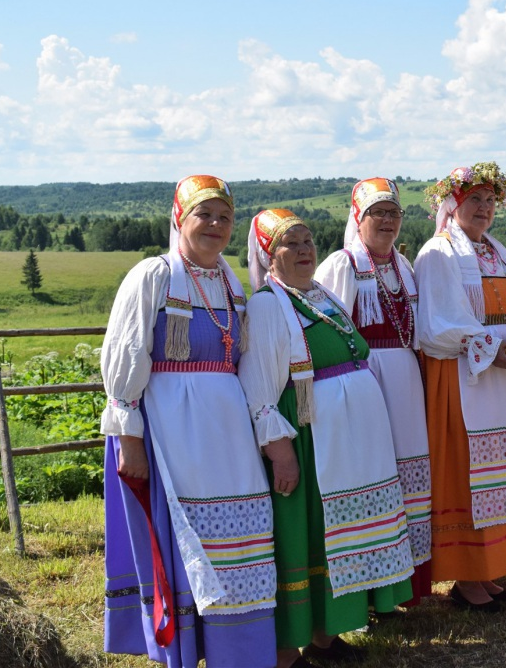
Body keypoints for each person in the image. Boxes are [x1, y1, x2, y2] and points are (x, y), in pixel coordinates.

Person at [100, 175, 277, 668]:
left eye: (224, 217)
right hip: (169, 433)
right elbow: (127, 355)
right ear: (180, 217)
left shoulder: (230, 281)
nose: (216, 225)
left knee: (239, 537)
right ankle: (185, 647)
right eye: (204, 214)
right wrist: (129, 440)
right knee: (184, 540)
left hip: (227, 438)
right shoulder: (152, 276)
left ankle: (235, 651)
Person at [238, 208, 414, 668]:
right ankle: (287, 649)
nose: (303, 250)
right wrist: (282, 453)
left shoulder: (321, 295)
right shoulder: (267, 305)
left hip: (345, 446)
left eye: (307, 241)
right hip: (311, 442)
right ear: (268, 255)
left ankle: (323, 633)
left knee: (333, 538)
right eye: (289, 244)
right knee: (308, 538)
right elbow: (259, 389)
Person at [415, 162, 506, 613]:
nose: (484, 209)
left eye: (490, 201)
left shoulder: (497, 252)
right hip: (465, 378)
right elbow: (437, 325)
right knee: (469, 475)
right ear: (453, 204)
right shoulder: (438, 253)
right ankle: (467, 579)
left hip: (503, 380)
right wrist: (493, 348)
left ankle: (489, 571)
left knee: (500, 473)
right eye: (475, 201)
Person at [314, 178, 432, 605]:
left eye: (393, 213)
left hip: (404, 380)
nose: (386, 221)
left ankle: (401, 587)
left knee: (408, 477)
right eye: (377, 213)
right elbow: (329, 333)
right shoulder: (341, 266)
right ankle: (367, 592)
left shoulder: (404, 267)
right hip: (363, 382)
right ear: (358, 219)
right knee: (370, 477)